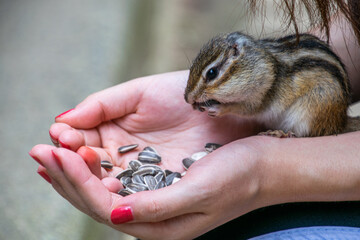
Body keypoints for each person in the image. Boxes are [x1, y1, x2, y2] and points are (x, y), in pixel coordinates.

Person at [29, 1, 360, 239]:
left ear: (237, 57)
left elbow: (260, 102)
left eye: (213, 76)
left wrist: (265, 173)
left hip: (315, 103)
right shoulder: (250, 67)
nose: (196, 96)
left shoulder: (262, 78)